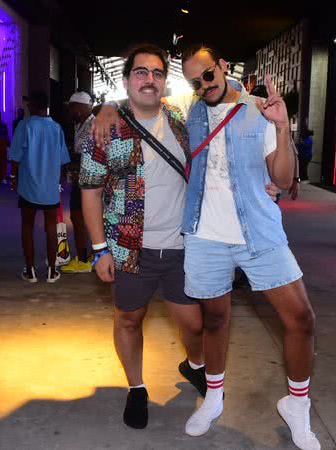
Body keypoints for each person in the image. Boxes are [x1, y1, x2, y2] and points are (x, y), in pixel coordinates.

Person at [180, 45, 318, 450]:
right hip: (205, 235)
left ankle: (297, 405)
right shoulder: (191, 114)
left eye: (208, 75)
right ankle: (215, 397)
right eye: (194, 81)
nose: (203, 85)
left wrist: (281, 127)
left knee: (301, 319)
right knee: (215, 321)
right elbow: (145, 114)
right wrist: (108, 110)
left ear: (223, 66)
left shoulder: (260, 107)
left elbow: (284, 176)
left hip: (258, 231)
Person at [80, 45, 207, 429]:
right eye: (140, 72)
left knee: (194, 324)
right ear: (126, 79)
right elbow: (90, 190)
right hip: (129, 249)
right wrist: (100, 249)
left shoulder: (183, 119)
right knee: (129, 319)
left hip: (183, 246)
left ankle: (194, 363)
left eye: (156, 73)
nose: (149, 79)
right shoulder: (103, 127)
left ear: (165, 81)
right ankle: (136, 388)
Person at [10, 91, 71, 283]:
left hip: (28, 186)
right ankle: (52, 271)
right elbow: (63, 160)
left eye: (29, 103)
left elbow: (16, 156)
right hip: (50, 187)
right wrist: (59, 181)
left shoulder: (25, 125)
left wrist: (13, 177)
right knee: (50, 227)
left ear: (35, 105)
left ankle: (30, 271)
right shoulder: (56, 128)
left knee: (27, 226)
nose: (27, 106)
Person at [61, 91, 94, 274]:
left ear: (81, 107)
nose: (70, 110)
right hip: (80, 179)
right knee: (80, 218)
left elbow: (94, 155)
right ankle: (87, 254)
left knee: (78, 217)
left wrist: (72, 162)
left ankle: (82, 260)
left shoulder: (93, 125)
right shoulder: (80, 125)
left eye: (72, 107)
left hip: (87, 181)